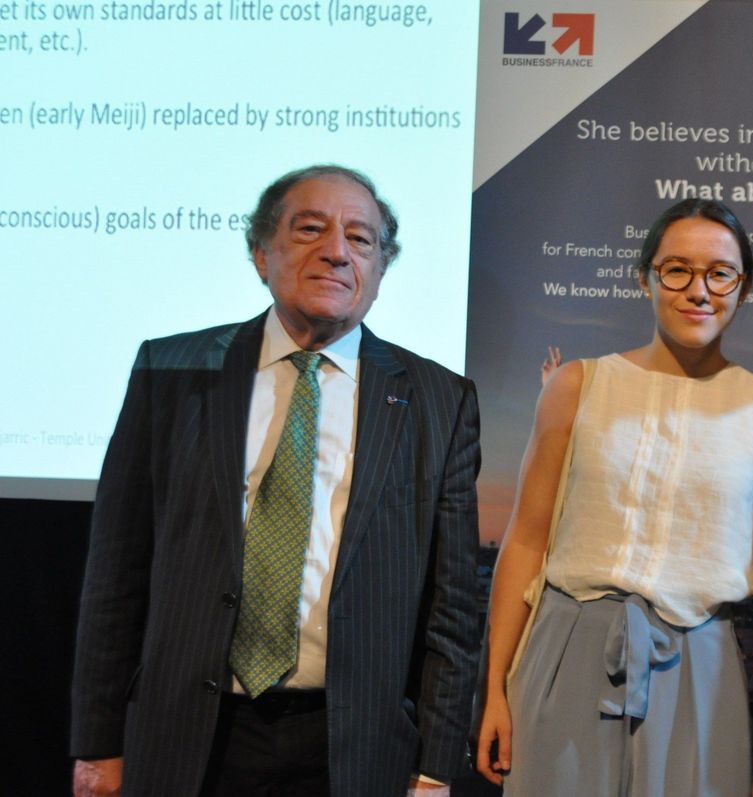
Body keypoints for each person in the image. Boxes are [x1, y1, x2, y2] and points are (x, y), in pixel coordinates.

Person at [70, 165, 481, 796]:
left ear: (380, 270)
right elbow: (115, 576)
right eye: (311, 229)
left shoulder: (438, 400)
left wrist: (435, 769)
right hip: (190, 737)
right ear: (262, 253)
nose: (337, 251)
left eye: (361, 239)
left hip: (352, 748)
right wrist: (99, 746)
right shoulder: (172, 371)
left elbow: (452, 610)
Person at [476, 199, 753, 797]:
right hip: (564, 651)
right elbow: (525, 540)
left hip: (699, 667)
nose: (698, 291)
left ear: (743, 288)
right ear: (645, 278)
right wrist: (496, 687)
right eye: (677, 269)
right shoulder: (577, 385)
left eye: (720, 273)